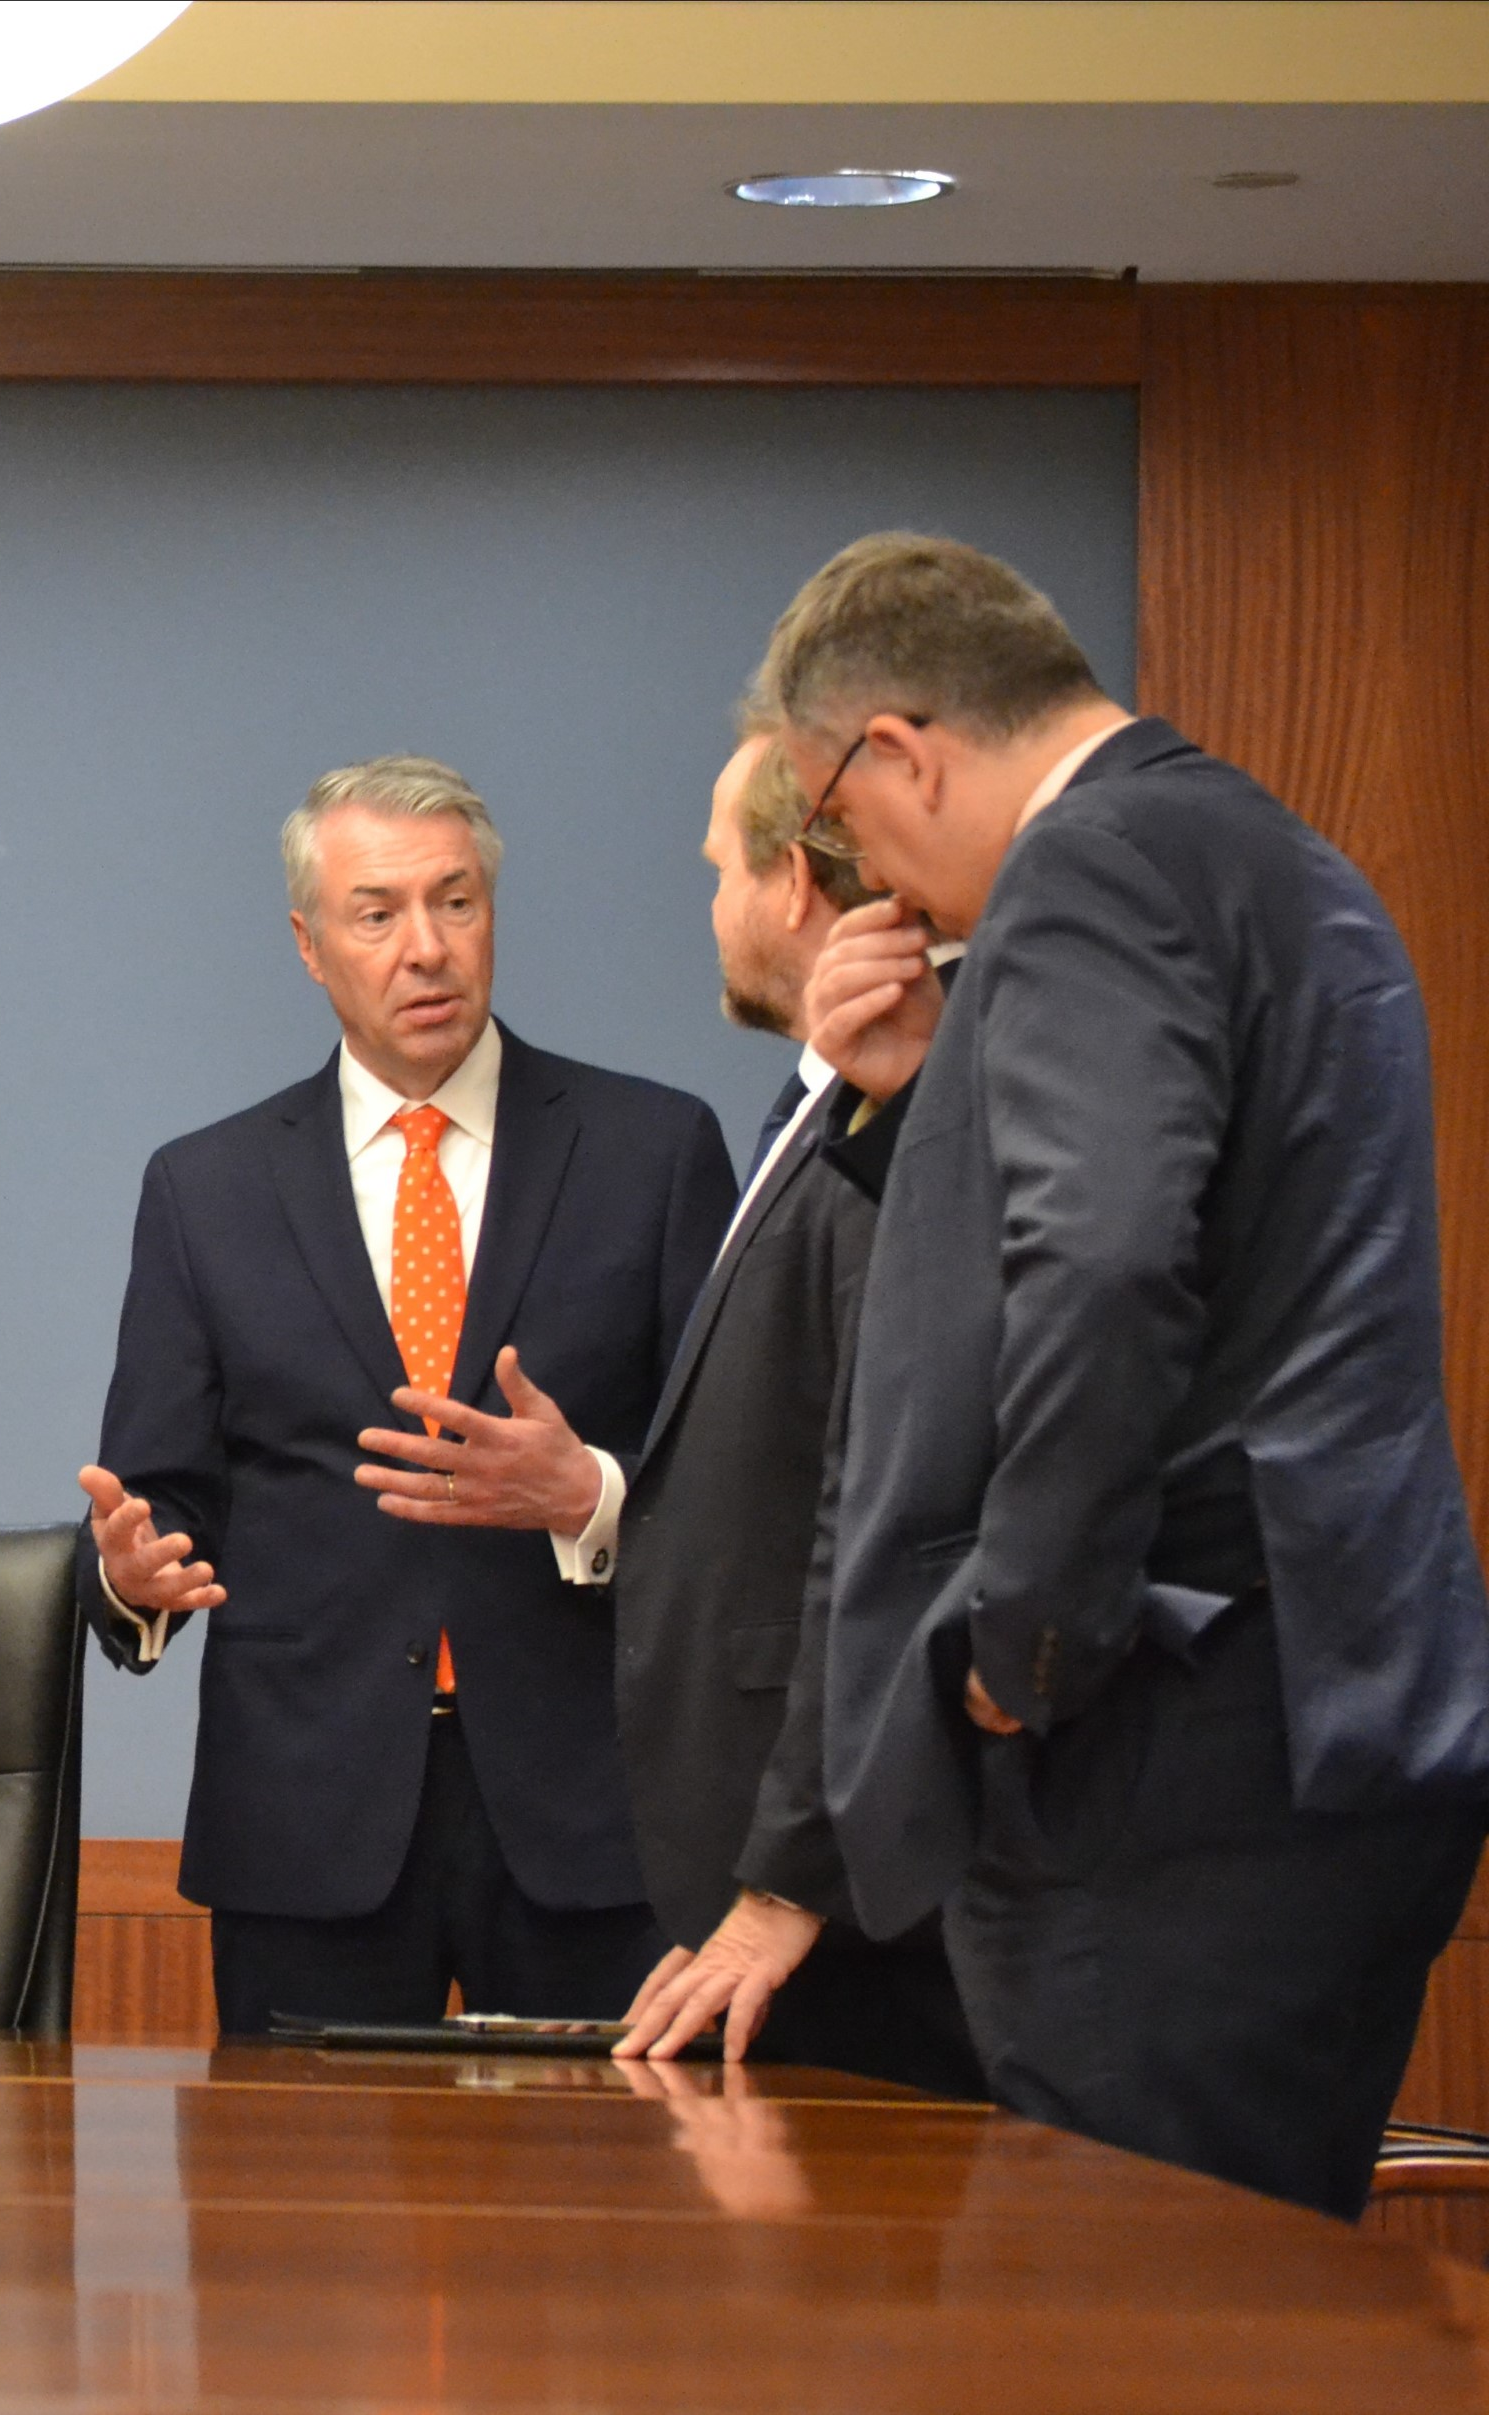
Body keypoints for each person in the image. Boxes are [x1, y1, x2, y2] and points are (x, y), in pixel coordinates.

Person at [755, 530, 1489, 2218]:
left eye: (835, 827)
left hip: (1166, 1761)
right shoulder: (1277, 857)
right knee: (1235, 2322)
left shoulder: (1087, 871)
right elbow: (1205, 1243)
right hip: (1328, 1723)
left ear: (899, 752)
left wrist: (1034, 1639)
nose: (868, 884)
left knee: (1105, 2336)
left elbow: (1104, 1266)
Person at [359, 721, 982, 2095]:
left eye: (718, 871)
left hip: (833, 1885)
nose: (707, 908)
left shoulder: (896, 1125)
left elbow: (869, 1522)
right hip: (756, 1869)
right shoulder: (831, 1110)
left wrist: (782, 1877)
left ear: (797, 890)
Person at [78, 755, 736, 2036]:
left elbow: (752, 1486)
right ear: (311, 945)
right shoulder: (204, 1189)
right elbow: (157, 1499)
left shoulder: (654, 1153)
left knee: (615, 2225)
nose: (424, 949)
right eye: (377, 914)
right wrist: (131, 1578)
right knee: (288, 2226)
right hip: (306, 1815)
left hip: (595, 1812)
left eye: (456, 903)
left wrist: (589, 1495)